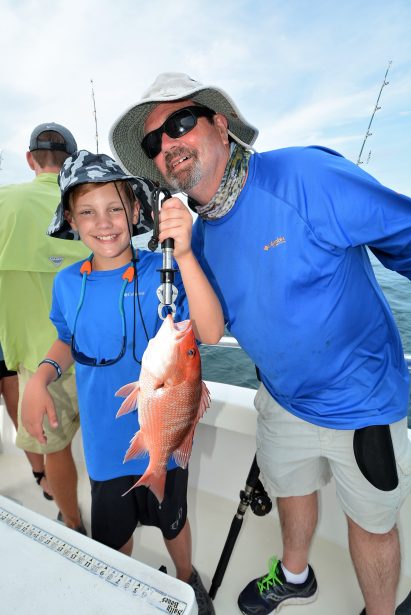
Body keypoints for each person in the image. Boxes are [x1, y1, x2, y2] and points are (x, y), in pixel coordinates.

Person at [109, 72, 411, 615]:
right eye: (154, 142)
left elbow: (405, 237)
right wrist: (178, 255)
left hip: (363, 403)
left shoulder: (304, 174)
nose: (168, 145)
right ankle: (296, 576)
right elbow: (200, 332)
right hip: (281, 399)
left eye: (180, 122)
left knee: (372, 521)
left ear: (222, 126)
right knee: (291, 489)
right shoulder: (197, 238)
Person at [21, 150, 223, 615]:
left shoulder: (163, 271)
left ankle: (188, 579)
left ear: (136, 211)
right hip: (105, 445)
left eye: (115, 208)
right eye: (87, 211)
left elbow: (209, 332)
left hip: (166, 438)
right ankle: (119, 587)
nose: (104, 222)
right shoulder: (68, 282)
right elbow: (66, 340)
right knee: (115, 534)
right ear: (70, 219)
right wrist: (41, 379)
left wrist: (186, 254)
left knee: (174, 522)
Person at [0, 123, 89, 529]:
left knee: (57, 450)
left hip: (40, 362)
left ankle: (72, 521)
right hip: (98, 352)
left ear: (30, 159)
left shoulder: (4, 204)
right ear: (71, 160)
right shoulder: (86, 202)